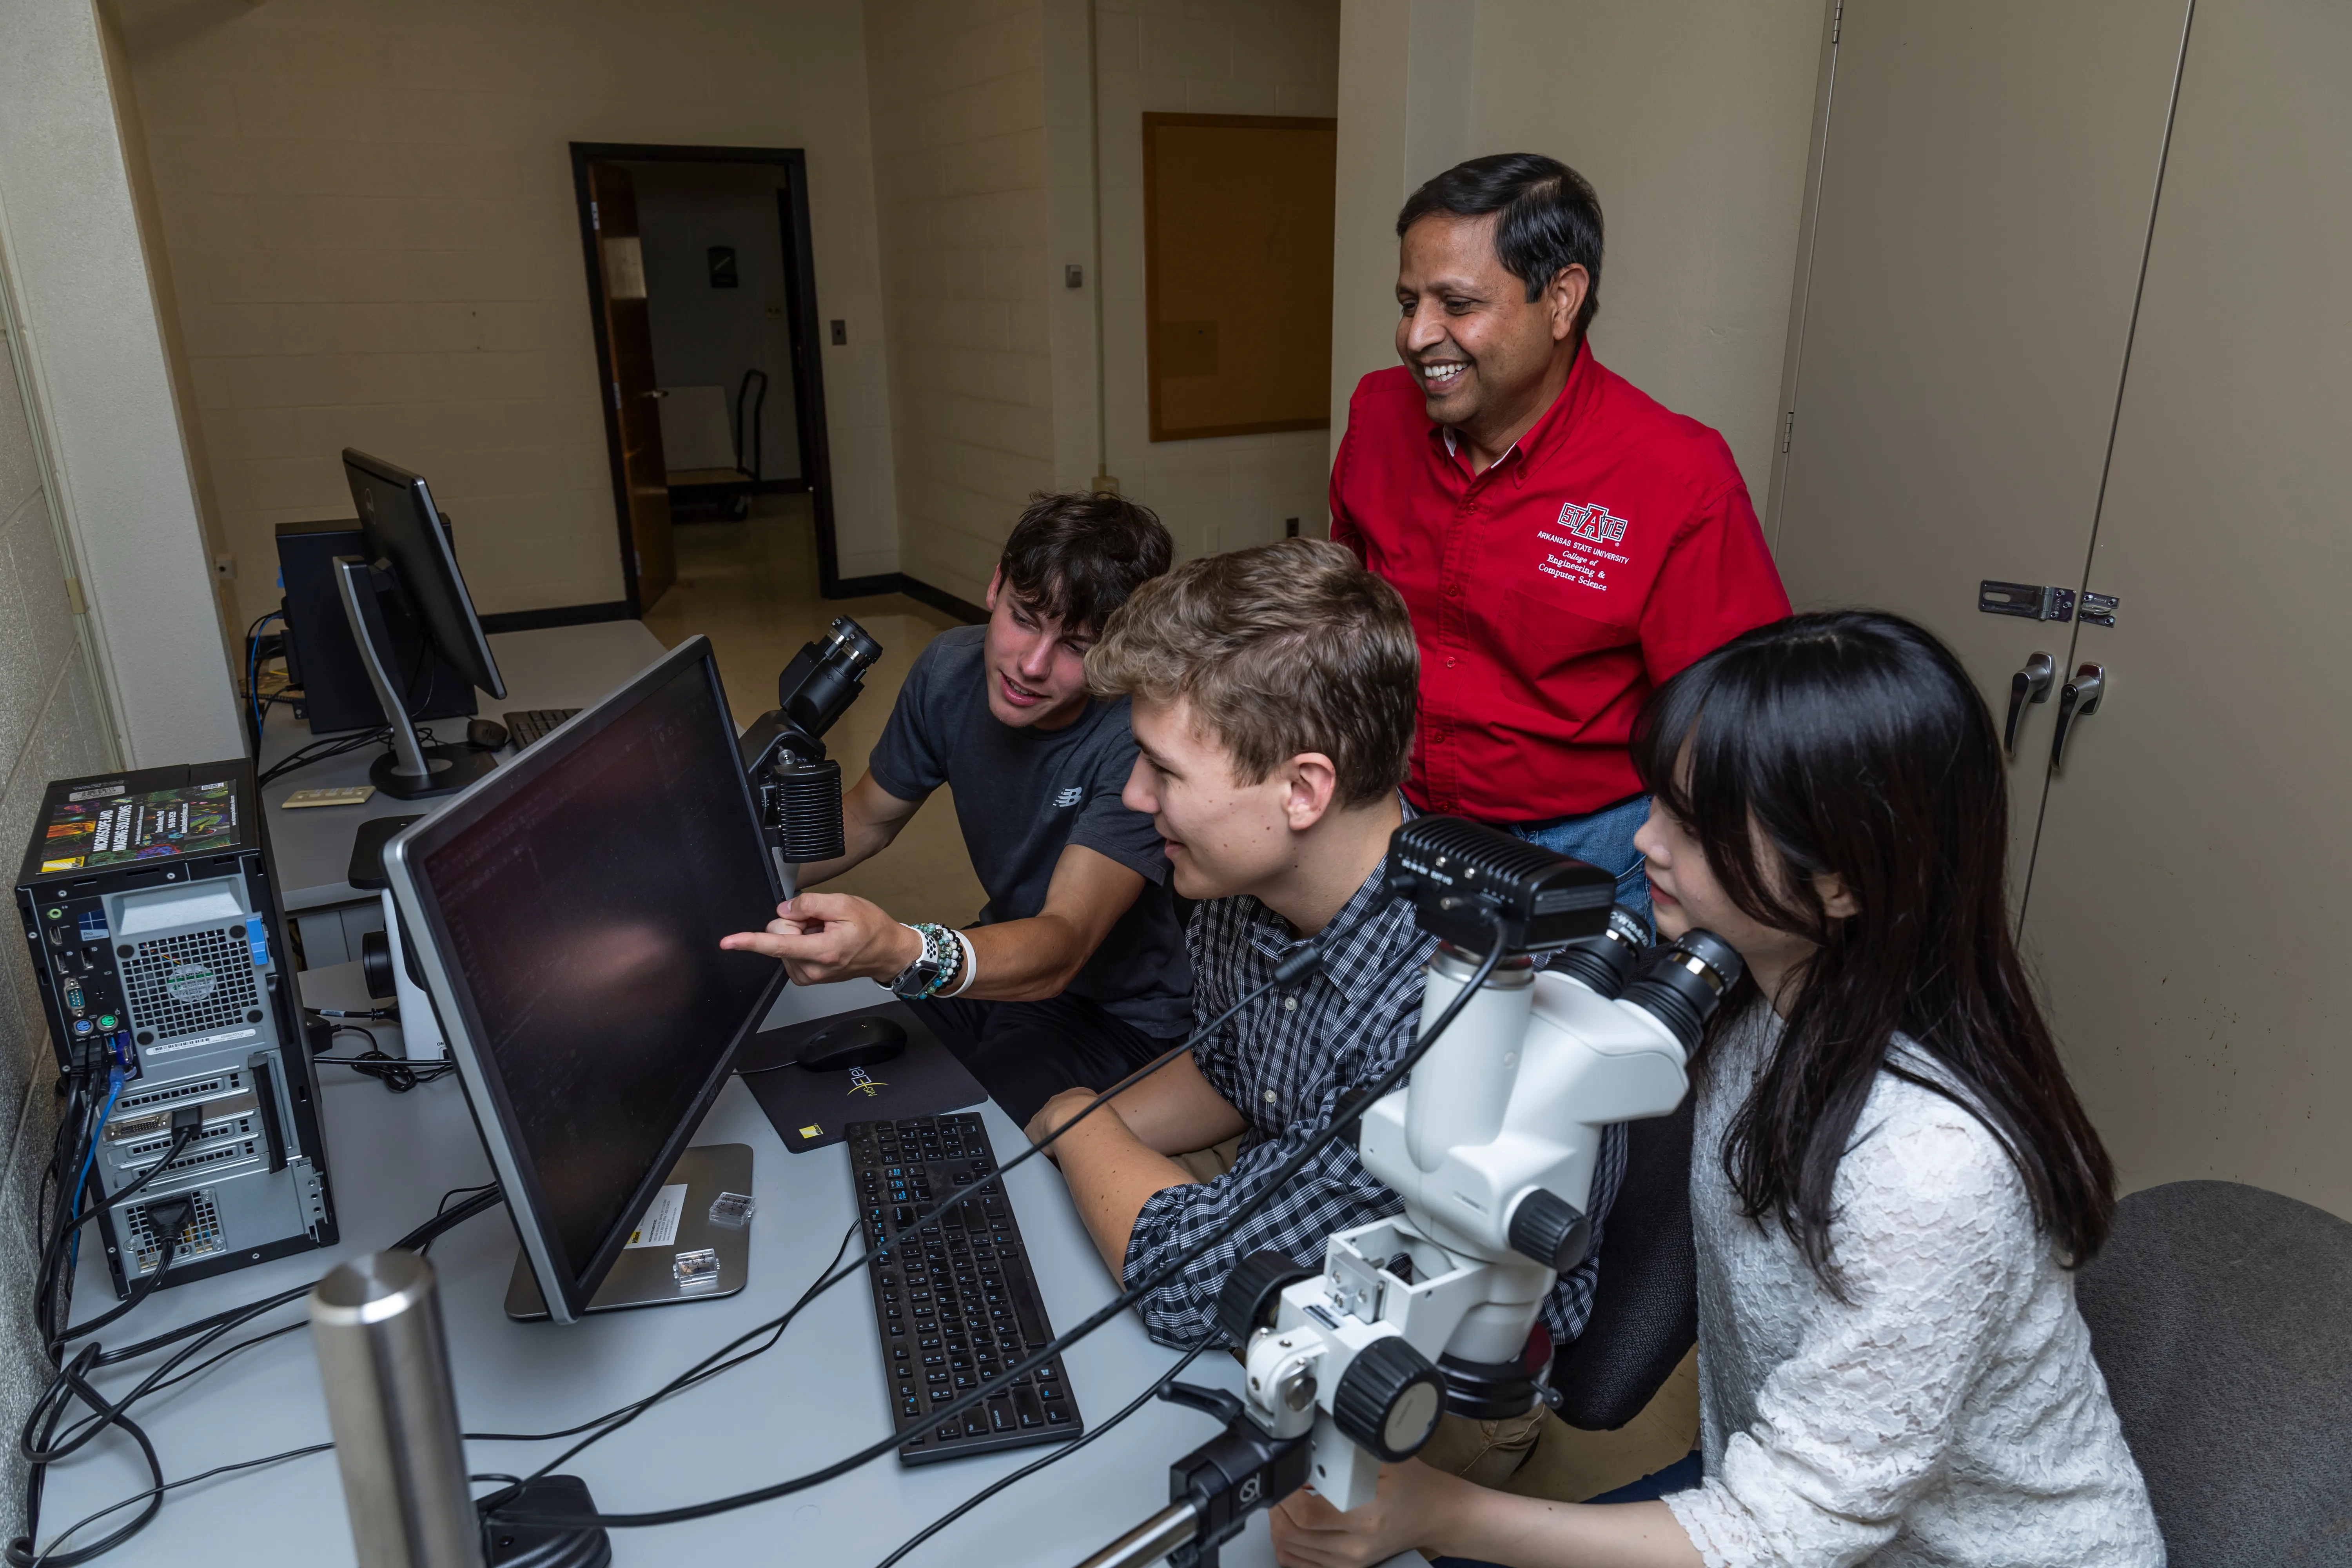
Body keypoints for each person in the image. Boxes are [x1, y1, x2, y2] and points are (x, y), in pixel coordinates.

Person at [1267, 611, 2163, 1568]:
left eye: (1692, 825)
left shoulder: (1933, 1170)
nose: (1646, 840)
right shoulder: (1755, 1001)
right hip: (1773, 1491)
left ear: (1844, 882)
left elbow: (1781, 1533)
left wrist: (1438, 1511)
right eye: (1657, 802)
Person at [1026, 537, 1624, 1373]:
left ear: (1302, 791)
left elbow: (1191, 1280)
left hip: (1428, 1380)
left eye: (1163, 770)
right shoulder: (1248, 881)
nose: (1134, 795)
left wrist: (1071, 1116)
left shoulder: (1457, 1010)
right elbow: (1235, 1068)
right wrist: (1058, 1142)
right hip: (1280, 1267)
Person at [1330, 153, 1791, 920]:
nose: (1415, 335)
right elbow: (1342, 605)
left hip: (1585, 853)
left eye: (1457, 303)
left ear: (1562, 300)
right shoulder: (1378, 413)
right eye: (1408, 300)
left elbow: (1735, 725)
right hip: (1397, 818)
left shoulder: (1676, 476)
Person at [720, 492, 1190, 1127]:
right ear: (996, 586)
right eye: (1025, 618)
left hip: (1120, 1018)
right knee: (812, 1083)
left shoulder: (1134, 738)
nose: (1032, 665)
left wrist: (901, 950)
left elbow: (1065, 941)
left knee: (947, 1132)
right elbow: (867, 818)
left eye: (1076, 647)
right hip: (1002, 965)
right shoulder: (950, 669)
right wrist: (728, 882)